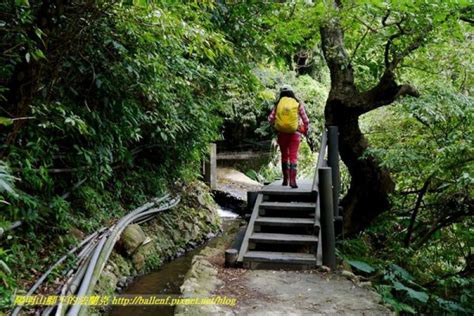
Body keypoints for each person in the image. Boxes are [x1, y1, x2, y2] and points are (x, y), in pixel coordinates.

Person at [268, 85, 310, 188]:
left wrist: (276, 125)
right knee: (293, 156)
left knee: (284, 156)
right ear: (292, 93)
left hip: (282, 134)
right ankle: (293, 181)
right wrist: (306, 129)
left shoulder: (278, 104)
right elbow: (306, 120)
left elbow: (270, 119)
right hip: (295, 133)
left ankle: (285, 180)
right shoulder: (297, 104)